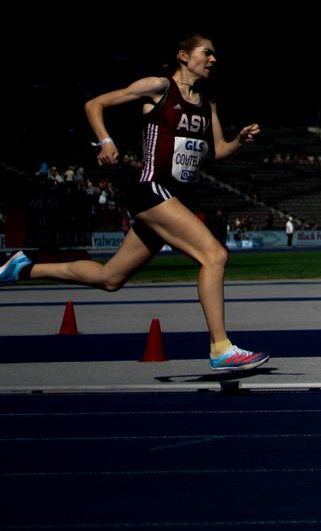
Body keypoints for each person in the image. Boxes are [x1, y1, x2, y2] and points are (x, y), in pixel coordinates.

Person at [0, 34, 270, 371]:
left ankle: (22, 269)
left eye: (215, 54)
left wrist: (240, 140)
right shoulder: (159, 86)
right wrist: (105, 142)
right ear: (184, 56)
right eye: (207, 53)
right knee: (214, 254)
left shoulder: (208, 101)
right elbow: (93, 104)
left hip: (174, 199)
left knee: (110, 278)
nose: (214, 59)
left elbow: (218, 152)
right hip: (151, 189)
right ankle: (221, 347)